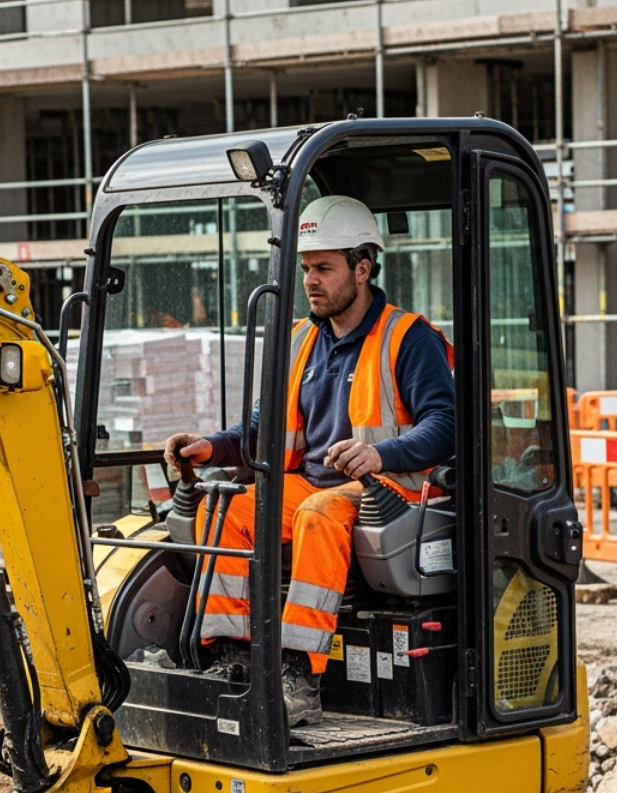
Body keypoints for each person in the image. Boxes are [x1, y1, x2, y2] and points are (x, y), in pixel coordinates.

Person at [163, 195, 456, 726]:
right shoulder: (299, 341)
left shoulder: (408, 338)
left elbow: (445, 426)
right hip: (312, 485)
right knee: (223, 507)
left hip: (388, 493)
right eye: (304, 269)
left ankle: (300, 672)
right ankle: (231, 657)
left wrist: (379, 454)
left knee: (316, 515)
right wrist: (212, 448)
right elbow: (259, 431)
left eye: (324, 268)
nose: (310, 280)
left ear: (363, 268)